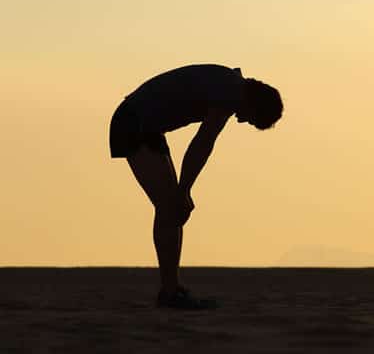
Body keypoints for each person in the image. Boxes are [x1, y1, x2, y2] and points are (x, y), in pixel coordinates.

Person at [109, 64, 283, 309]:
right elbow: (202, 145)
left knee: (173, 209)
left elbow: (201, 146)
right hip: (131, 123)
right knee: (169, 206)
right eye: (251, 119)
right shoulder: (229, 92)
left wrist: (183, 191)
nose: (243, 121)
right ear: (253, 103)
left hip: (148, 128)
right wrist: (184, 190)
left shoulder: (231, 86)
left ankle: (172, 288)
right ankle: (169, 292)